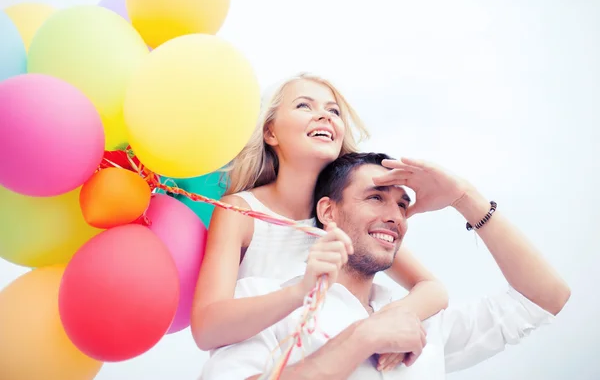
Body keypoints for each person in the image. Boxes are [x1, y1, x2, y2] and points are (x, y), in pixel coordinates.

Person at [200, 152, 571, 379]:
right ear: (328, 212)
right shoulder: (264, 301)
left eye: (402, 205)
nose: (394, 216)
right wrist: (364, 337)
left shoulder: (419, 321)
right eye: (376, 197)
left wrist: (465, 198)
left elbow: (545, 298)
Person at [190, 73, 449, 371]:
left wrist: (387, 321)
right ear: (270, 132)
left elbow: (433, 289)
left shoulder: (345, 217)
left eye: (334, 111)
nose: (324, 116)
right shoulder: (240, 212)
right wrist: (300, 292)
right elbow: (207, 329)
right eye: (304, 106)